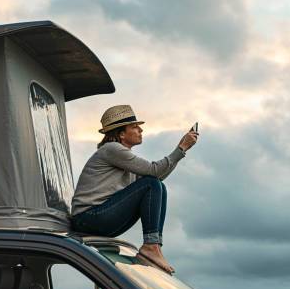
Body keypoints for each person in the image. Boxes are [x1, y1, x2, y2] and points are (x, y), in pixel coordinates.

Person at [70, 105, 198, 274]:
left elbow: (157, 178)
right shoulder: (112, 149)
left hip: (97, 217)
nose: (141, 130)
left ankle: (154, 247)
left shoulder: (123, 157)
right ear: (121, 134)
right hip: (88, 217)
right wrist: (181, 148)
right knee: (152, 183)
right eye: (135, 127)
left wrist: (180, 152)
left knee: (158, 185)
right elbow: (154, 173)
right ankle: (151, 246)